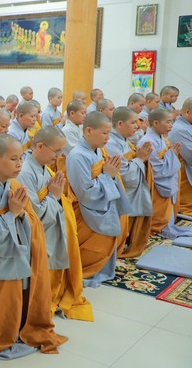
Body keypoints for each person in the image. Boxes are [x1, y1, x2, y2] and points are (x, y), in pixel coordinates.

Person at [0, 134, 67, 358]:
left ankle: (13, 328)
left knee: (16, 299)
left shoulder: (13, 184)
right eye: (13, 159)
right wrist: (13, 214)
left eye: (21, 159)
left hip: (16, 250)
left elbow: (32, 219)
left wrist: (21, 214)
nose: (19, 164)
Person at [17, 127, 93, 321]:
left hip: (53, 227)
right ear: (40, 146)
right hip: (38, 233)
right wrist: (54, 196)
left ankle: (53, 296)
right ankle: (41, 302)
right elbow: (34, 214)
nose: (59, 155)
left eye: (61, 151)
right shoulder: (25, 173)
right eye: (56, 151)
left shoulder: (45, 167)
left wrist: (56, 196)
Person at [66, 112, 130, 287]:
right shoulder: (78, 156)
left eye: (109, 133)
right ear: (88, 130)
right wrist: (108, 176)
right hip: (87, 210)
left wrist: (110, 175)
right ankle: (86, 269)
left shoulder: (99, 150)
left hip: (103, 204)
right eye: (104, 133)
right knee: (92, 246)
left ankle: (100, 267)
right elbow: (85, 192)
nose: (108, 138)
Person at [106, 107, 153, 257]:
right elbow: (125, 175)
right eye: (133, 122)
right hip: (119, 193)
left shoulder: (124, 141)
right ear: (120, 124)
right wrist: (139, 159)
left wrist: (139, 158)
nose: (137, 126)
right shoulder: (111, 144)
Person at [138, 108, 188, 238]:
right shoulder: (147, 142)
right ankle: (157, 228)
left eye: (171, 122)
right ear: (155, 123)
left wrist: (172, 155)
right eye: (168, 122)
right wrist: (172, 155)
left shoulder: (162, 139)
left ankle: (164, 227)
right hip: (157, 186)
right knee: (159, 218)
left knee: (168, 218)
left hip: (166, 182)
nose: (171, 126)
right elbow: (157, 171)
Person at [168, 98, 192, 218]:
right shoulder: (179, 129)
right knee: (188, 206)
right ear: (188, 112)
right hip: (185, 169)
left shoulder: (188, 125)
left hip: (189, 166)